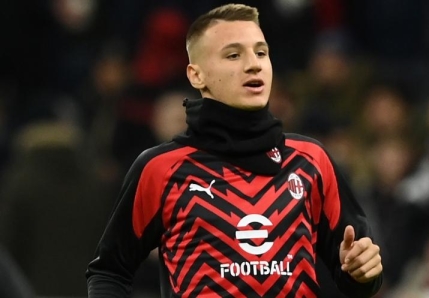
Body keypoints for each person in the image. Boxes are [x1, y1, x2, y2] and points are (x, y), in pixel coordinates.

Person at [86, 4, 383, 297]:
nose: (253, 64)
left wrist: (363, 273)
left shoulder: (311, 159)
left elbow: (356, 273)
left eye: (261, 52)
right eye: (233, 54)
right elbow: (109, 271)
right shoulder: (161, 169)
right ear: (196, 76)